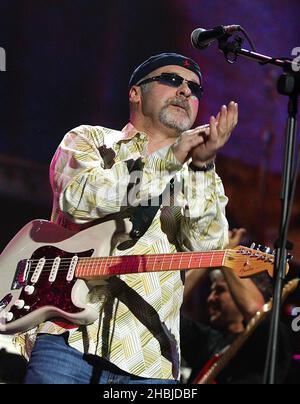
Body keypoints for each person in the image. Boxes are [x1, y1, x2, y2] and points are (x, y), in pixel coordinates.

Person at [21, 52, 238, 384]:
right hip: (67, 340)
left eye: (194, 88)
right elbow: (79, 200)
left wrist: (201, 166)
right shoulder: (91, 140)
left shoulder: (198, 174)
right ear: (135, 92)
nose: (185, 91)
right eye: (171, 80)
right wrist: (169, 159)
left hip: (150, 360)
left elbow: (208, 245)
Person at [180, 229, 293, 384]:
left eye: (220, 290)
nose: (210, 298)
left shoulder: (272, 336)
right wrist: (212, 255)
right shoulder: (208, 341)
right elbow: (169, 305)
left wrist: (227, 256)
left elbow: (254, 308)